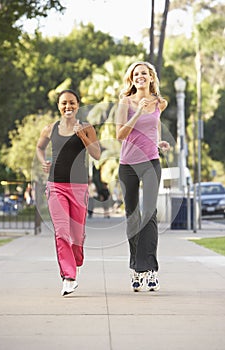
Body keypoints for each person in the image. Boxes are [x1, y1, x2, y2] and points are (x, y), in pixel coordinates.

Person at [36, 89, 101, 296]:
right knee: (62, 232)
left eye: (72, 103)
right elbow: (39, 147)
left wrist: (83, 137)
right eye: (64, 103)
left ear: (78, 104)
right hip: (55, 185)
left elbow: (97, 155)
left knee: (77, 235)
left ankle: (75, 261)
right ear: (58, 105)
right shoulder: (50, 128)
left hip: (79, 187)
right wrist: (42, 161)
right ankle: (68, 277)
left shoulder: (87, 128)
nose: (68, 106)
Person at [116, 61, 170, 292]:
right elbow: (120, 134)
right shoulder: (125, 102)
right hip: (128, 164)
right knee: (133, 216)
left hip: (150, 162)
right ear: (132, 78)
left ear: (151, 78)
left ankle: (151, 271)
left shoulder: (160, 102)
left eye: (144, 73)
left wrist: (158, 143)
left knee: (150, 214)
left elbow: (154, 126)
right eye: (136, 74)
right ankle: (136, 269)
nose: (140, 77)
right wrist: (137, 111)